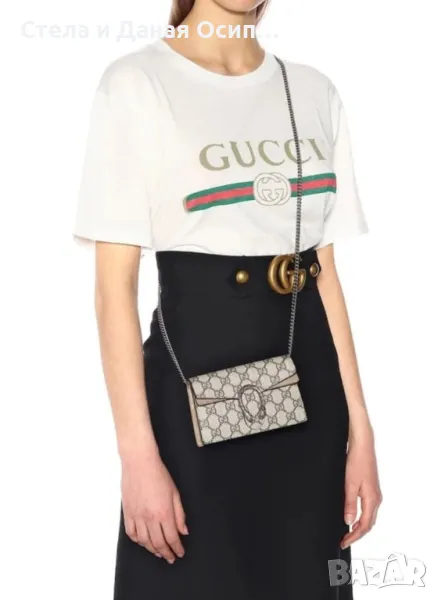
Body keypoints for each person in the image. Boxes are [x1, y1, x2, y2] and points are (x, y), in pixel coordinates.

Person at [74, 1, 382, 598]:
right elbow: (114, 289)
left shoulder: (313, 91)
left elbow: (324, 275)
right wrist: (137, 457)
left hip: (312, 402)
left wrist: (361, 434)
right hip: (191, 401)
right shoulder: (137, 83)